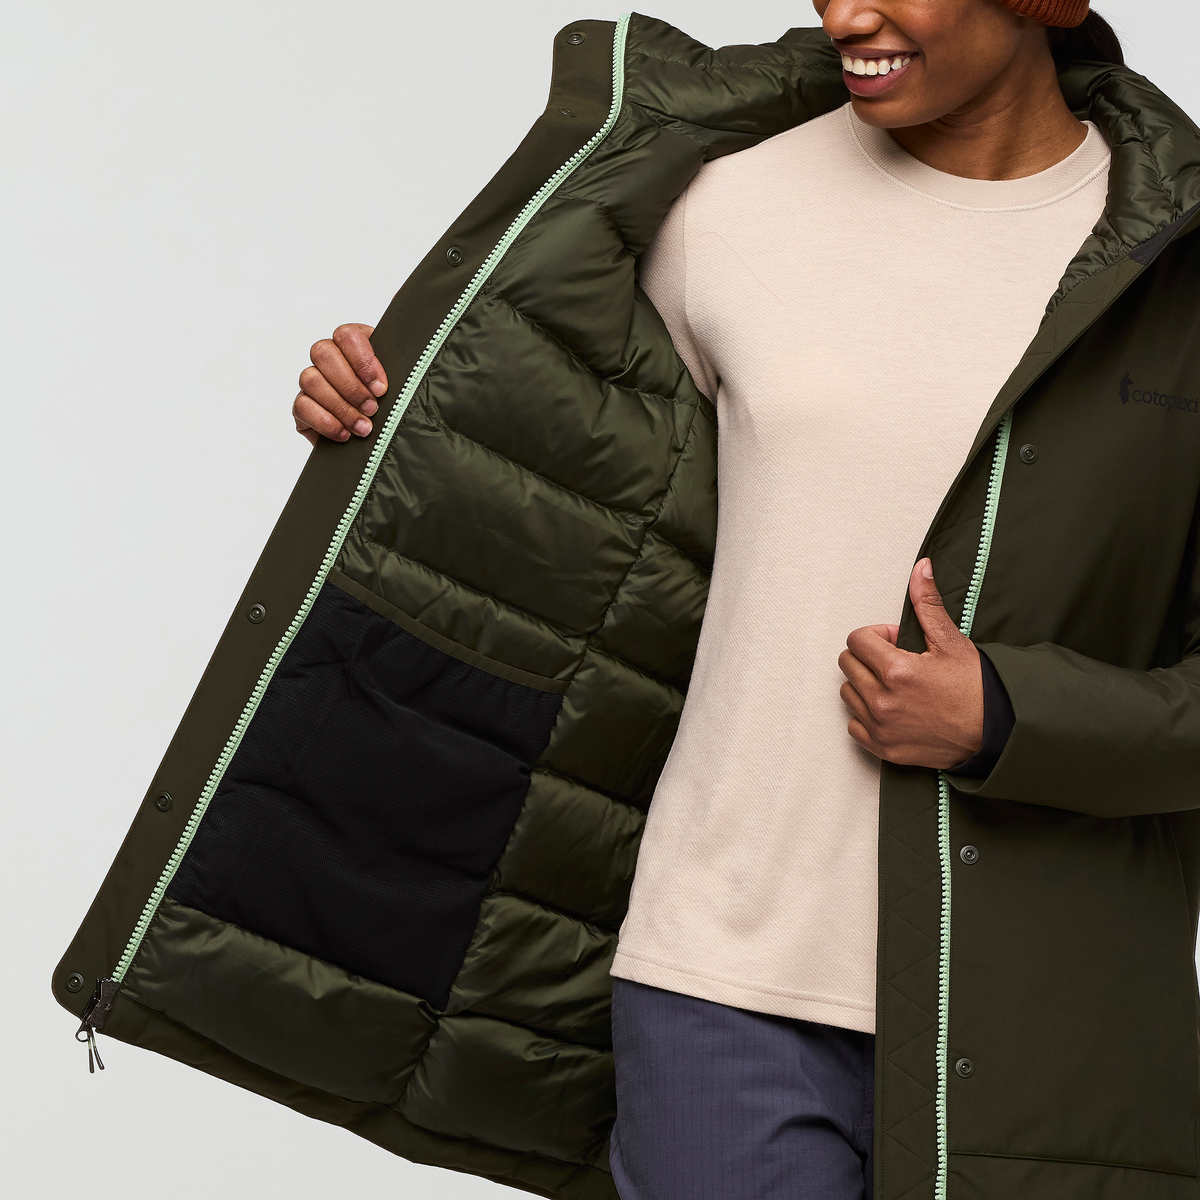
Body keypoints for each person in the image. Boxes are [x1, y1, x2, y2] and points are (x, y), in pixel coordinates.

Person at [59, 3, 1200, 1199]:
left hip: (1048, 1014)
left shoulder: (1173, 268)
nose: (847, 15)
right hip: (716, 978)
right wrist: (391, 409)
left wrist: (1008, 717)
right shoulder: (730, 203)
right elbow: (558, 485)